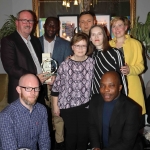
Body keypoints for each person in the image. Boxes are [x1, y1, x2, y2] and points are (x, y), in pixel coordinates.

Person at [51, 33, 95, 150]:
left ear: (87, 47)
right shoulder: (65, 65)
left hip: (85, 106)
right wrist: (55, 106)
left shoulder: (91, 63)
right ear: (72, 47)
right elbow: (56, 88)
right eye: (77, 45)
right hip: (67, 106)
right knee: (71, 135)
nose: (80, 49)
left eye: (83, 46)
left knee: (83, 135)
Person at [1, 10, 50, 104]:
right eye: (24, 20)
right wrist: (34, 78)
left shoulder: (35, 41)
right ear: (17, 23)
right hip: (21, 94)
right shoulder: (9, 41)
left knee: (39, 118)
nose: (28, 24)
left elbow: (40, 64)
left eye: (30, 21)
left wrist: (48, 76)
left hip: (38, 92)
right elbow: (10, 67)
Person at [39, 16, 72, 149]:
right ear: (44, 26)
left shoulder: (65, 44)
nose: (51, 28)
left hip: (58, 86)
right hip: (39, 86)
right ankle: (45, 142)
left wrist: (56, 78)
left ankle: (59, 143)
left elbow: (68, 67)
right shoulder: (36, 42)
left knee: (58, 116)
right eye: (49, 25)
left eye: (55, 26)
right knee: (42, 115)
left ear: (58, 27)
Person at [89, 71, 143, 150]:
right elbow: (92, 126)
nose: (106, 90)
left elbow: (126, 144)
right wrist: (96, 146)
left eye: (111, 86)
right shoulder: (95, 101)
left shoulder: (131, 109)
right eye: (102, 85)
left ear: (120, 88)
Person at [0, 74, 51, 150]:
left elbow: (44, 140)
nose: (33, 93)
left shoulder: (42, 110)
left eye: (36, 88)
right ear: (19, 90)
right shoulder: (6, 116)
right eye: (28, 88)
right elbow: (10, 147)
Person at [109, 16, 146, 115]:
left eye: (120, 25)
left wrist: (130, 70)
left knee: (132, 118)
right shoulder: (108, 45)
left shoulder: (135, 44)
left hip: (131, 85)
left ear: (126, 27)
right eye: (114, 26)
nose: (116, 29)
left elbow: (141, 66)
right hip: (113, 85)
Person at [88, 25, 127, 95]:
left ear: (104, 36)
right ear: (90, 38)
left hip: (112, 95)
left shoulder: (115, 53)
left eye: (99, 34)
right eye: (93, 34)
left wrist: (124, 99)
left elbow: (122, 78)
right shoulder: (90, 56)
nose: (96, 37)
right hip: (95, 96)